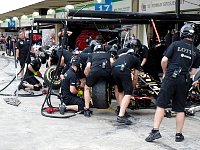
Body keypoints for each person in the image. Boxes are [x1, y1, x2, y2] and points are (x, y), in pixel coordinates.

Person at [145, 22, 200, 142]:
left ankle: (155, 131)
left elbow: (164, 60)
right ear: (194, 36)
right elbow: (193, 72)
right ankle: (178, 135)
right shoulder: (196, 51)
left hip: (171, 76)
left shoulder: (175, 44)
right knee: (180, 108)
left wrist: (165, 72)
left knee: (161, 104)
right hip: (184, 79)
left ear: (182, 33)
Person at [111, 49, 140, 125]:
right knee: (128, 93)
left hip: (114, 70)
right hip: (123, 70)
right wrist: (132, 88)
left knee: (121, 91)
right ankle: (121, 116)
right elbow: (135, 77)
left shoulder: (122, 56)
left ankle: (122, 111)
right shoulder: (136, 59)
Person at [83, 44, 112, 117]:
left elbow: (88, 66)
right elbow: (112, 63)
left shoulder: (91, 55)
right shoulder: (108, 54)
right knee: (117, 87)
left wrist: (87, 75)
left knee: (86, 88)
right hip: (106, 72)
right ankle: (119, 107)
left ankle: (86, 109)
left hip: (95, 72)